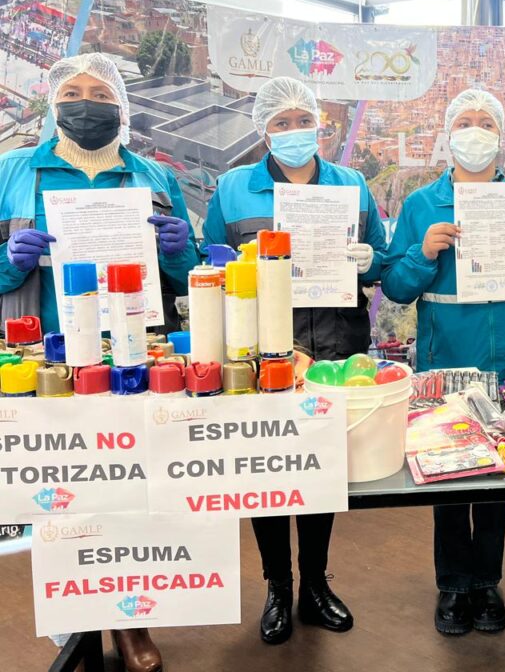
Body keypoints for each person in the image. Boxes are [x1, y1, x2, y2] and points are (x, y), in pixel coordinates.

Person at [0, 52, 199, 672]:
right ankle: (78, 617)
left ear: (121, 106)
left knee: (133, 489)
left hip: (133, 356)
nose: (87, 102)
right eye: (74, 91)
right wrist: (11, 258)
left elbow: (185, 270)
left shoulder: (153, 178)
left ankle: (131, 620)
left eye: (100, 92)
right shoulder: (11, 172)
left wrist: (176, 250)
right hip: (47, 357)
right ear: (54, 103)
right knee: (63, 489)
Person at [203, 76, 387, 644]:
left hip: (336, 345)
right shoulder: (234, 188)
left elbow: (381, 261)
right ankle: (277, 586)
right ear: (264, 129)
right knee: (270, 470)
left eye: (300, 120)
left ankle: (314, 583)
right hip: (266, 349)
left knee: (319, 470)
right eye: (279, 123)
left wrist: (367, 259)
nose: (292, 132)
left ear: (319, 125)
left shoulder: (351, 184)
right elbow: (211, 262)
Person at [381, 88, 505, 635]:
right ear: (448, 133)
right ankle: (452, 586)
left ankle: (487, 583)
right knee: (451, 476)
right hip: (447, 358)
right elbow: (395, 288)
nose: (476, 130)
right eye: (465, 121)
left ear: (501, 135)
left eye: (486, 121)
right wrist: (423, 252)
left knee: (501, 478)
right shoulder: (420, 206)